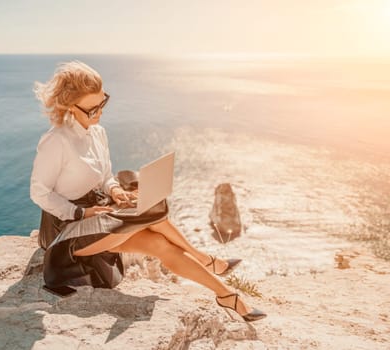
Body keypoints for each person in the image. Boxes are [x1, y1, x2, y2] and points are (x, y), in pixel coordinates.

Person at [30, 60, 266, 322]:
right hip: (66, 230)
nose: (99, 113)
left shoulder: (98, 133)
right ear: (70, 107)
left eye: (102, 103)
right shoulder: (55, 141)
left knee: (157, 241)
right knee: (151, 213)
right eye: (92, 109)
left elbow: (105, 176)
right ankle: (207, 259)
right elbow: (39, 192)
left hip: (98, 215)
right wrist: (80, 212)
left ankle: (227, 296)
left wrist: (116, 190)